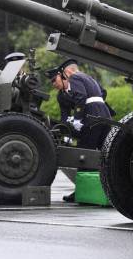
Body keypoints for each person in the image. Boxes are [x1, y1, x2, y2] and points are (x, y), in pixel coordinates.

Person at [45, 59, 113, 202]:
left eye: (54, 79)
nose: (53, 84)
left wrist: (77, 118)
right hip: (103, 116)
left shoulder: (75, 77)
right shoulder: (62, 95)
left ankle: (82, 190)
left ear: (62, 75)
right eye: (51, 82)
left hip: (92, 118)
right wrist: (67, 132)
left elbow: (81, 97)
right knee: (105, 152)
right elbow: (64, 116)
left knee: (83, 155)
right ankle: (110, 189)